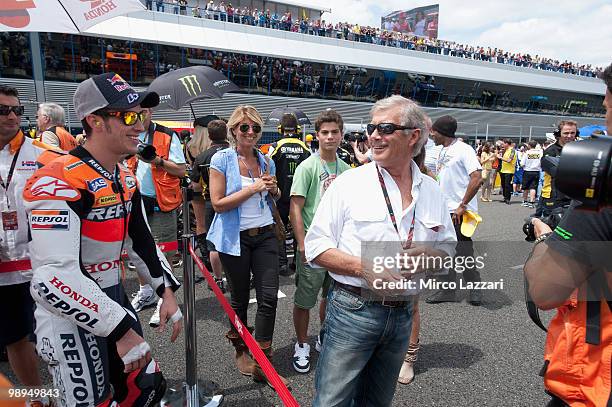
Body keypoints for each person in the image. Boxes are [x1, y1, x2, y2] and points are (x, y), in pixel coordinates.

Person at [23, 72, 183, 406]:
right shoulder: (58, 179)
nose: (140, 126)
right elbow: (51, 279)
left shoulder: (124, 174)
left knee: (143, 390)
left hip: (113, 296)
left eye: (140, 116)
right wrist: (120, 329)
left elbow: (141, 240)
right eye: (128, 116)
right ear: (95, 121)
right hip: (68, 313)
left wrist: (165, 290)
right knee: (90, 401)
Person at [305, 95, 456, 406]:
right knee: (332, 401)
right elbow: (316, 246)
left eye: (385, 128)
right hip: (352, 309)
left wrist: (430, 255)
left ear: (414, 135)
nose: (374, 136)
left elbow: (448, 249)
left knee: (378, 401)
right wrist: (364, 267)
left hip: (403, 313)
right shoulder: (349, 184)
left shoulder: (432, 190)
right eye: (371, 127)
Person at [523, 63, 612, 407]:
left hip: (596, 384)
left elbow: (544, 291)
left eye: (606, 108)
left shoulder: (602, 199)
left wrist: (548, 237)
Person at [207, 105, 287, 386]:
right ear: (233, 130)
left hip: (265, 234)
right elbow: (217, 203)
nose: (251, 132)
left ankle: (263, 362)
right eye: (245, 127)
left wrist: (273, 189)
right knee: (240, 298)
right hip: (235, 237)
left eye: (255, 127)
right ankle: (241, 349)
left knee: (268, 297)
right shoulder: (222, 159)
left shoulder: (266, 161)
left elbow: (273, 197)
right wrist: (252, 188)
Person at [289, 109, 351, 374]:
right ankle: (301, 343)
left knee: (332, 296)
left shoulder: (347, 169)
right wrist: (302, 244)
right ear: (317, 135)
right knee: (305, 299)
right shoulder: (308, 166)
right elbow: (295, 208)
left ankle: (324, 336)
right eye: (324, 132)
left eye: (334, 132)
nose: (329, 137)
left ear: (341, 134)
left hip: (337, 247)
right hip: (314, 246)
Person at [0, 85, 50, 406]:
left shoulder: (39, 152)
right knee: (14, 339)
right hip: (3, 271)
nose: (13, 115)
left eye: (17, 109)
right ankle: (37, 398)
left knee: (55, 336)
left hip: (40, 263)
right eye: (3, 110)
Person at [128, 107, 186, 328]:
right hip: (134, 200)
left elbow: (181, 170)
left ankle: (165, 297)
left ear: (150, 112)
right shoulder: (126, 132)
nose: (140, 116)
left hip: (162, 203)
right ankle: (146, 292)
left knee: (164, 250)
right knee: (138, 251)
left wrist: (157, 160)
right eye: (134, 112)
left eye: (143, 111)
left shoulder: (167, 135)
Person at [426, 115, 483, 305]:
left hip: (458, 212)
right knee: (443, 252)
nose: (431, 135)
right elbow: (442, 178)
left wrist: (462, 205)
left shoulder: (463, 150)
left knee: (463, 252)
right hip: (442, 211)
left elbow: (476, 177)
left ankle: (475, 289)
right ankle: (447, 291)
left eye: (433, 131)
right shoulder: (442, 150)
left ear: (442, 132)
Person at [189, 118, 230, 293]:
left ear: (209, 135)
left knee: (213, 243)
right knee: (234, 239)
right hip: (234, 201)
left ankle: (218, 279)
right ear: (226, 133)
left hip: (210, 202)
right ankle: (237, 275)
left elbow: (195, 185)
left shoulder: (202, 156)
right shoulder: (235, 152)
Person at [267, 113, 311, 276]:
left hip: (280, 196)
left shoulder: (275, 146)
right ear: (298, 129)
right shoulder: (306, 147)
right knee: (300, 229)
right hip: (300, 196)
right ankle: (298, 264)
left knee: (280, 229)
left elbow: (267, 167)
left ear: (280, 129)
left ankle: (282, 265)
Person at [186, 115, 218, 274]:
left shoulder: (190, 147)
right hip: (217, 192)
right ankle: (218, 258)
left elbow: (192, 173)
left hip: (198, 190)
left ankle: (207, 262)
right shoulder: (219, 148)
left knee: (201, 224)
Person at [537, 120, 578, 216]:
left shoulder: (579, 150)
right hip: (553, 197)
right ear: (558, 133)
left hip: (573, 197)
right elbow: (557, 173)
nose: (569, 136)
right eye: (566, 133)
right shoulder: (550, 151)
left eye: (573, 133)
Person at [520, 140, 542, 208]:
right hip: (536, 171)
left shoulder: (527, 153)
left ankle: (525, 201)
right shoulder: (540, 153)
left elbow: (522, 163)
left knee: (526, 187)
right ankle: (532, 202)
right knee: (533, 187)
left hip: (527, 170)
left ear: (529, 145)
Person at [497, 138, 516, 205]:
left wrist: (501, 158)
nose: (503, 145)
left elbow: (509, 160)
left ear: (507, 144)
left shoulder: (512, 150)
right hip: (503, 170)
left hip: (509, 171)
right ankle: (505, 197)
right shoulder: (505, 150)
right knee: (503, 184)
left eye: (504, 143)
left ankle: (508, 198)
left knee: (507, 185)